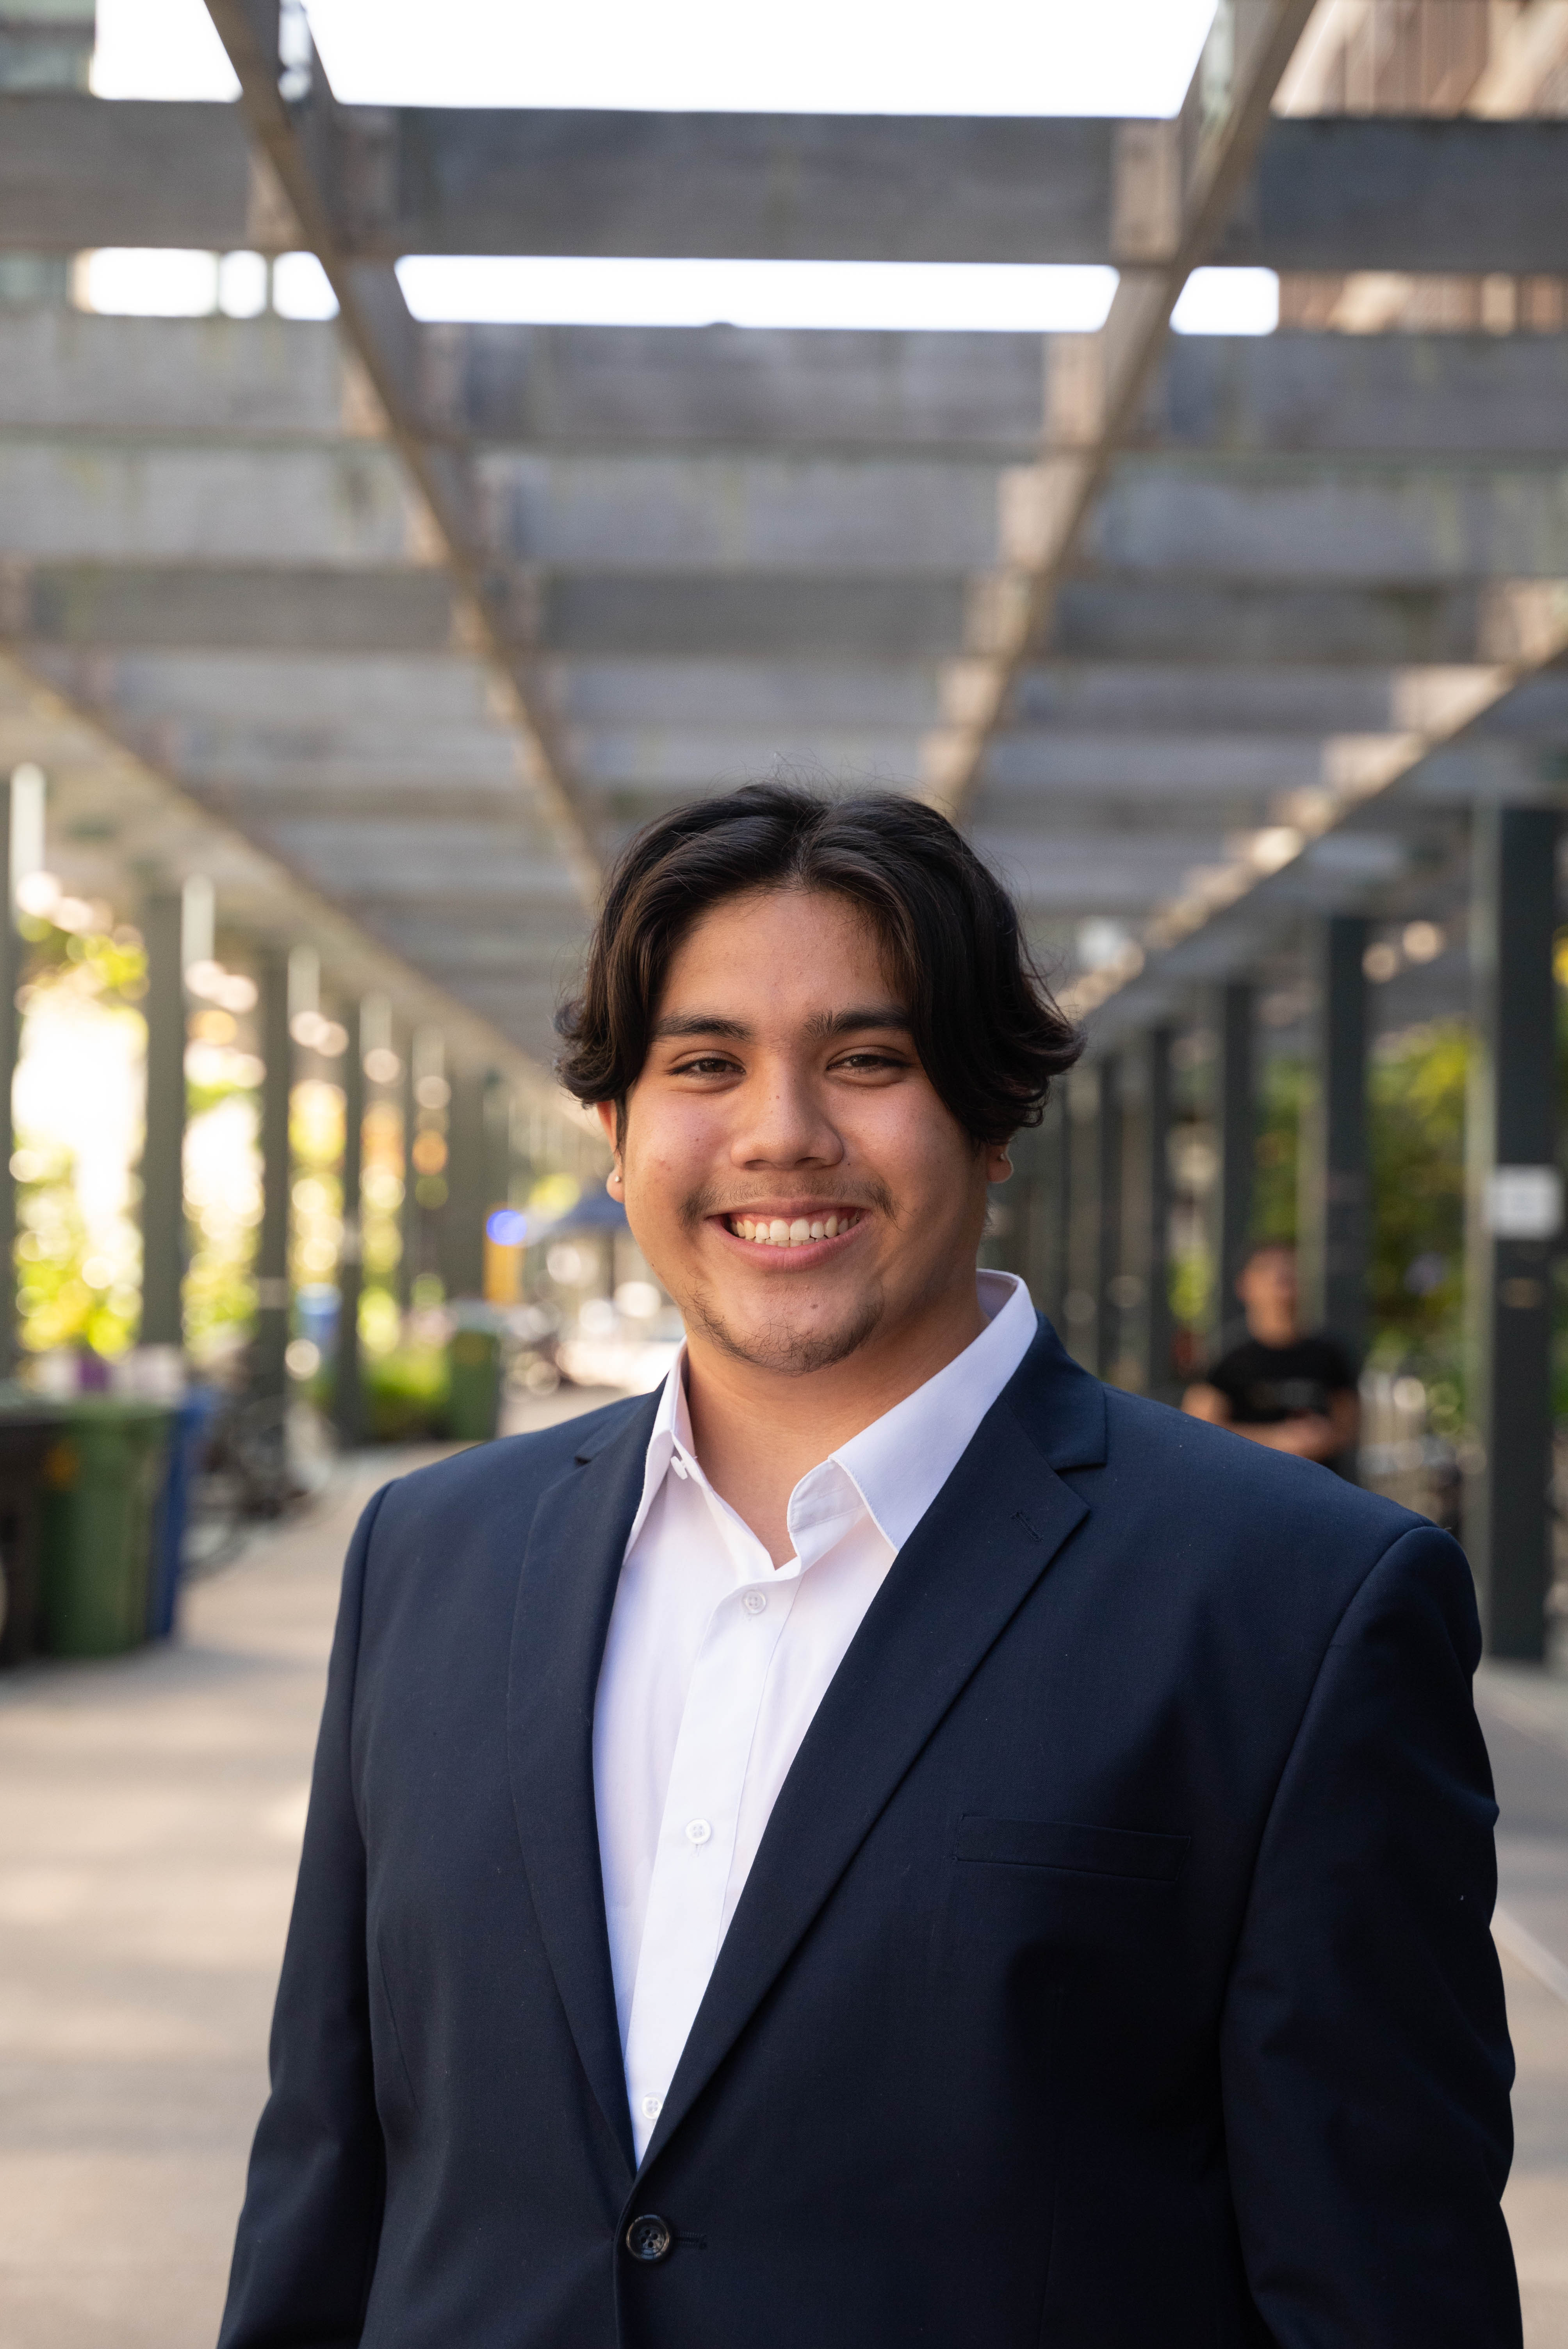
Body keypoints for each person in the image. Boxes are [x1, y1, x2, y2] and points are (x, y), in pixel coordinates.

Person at [217, 784, 1518, 2349]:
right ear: (618, 1130)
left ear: (990, 1117)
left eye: (866, 1059)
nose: (780, 1131)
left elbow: (1381, 2286)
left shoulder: (1296, 1604)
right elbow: (326, 2172)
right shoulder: (429, 1557)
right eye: (703, 1063)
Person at [1183, 1239, 1360, 1466]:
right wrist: (1277, 1440)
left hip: (1318, 1489)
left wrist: (1319, 1439)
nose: (1281, 1276)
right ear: (1245, 1285)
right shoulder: (1226, 1357)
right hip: (1248, 1489)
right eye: (1268, 1268)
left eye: (1290, 1268)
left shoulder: (1329, 1353)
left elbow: (1348, 1426)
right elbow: (1197, 1430)